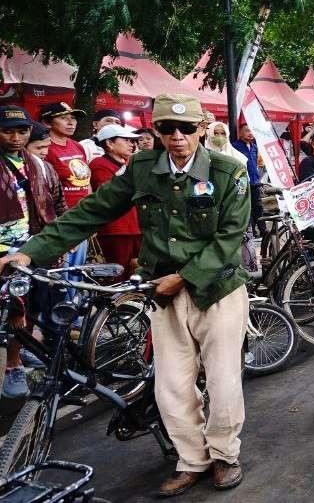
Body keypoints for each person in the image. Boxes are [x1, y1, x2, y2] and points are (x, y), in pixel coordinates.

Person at [0, 94, 251, 496]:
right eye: (167, 128)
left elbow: (229, 238)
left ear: (201, 129)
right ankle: (192, 460)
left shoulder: (227, 172)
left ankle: (224, 456)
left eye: (187, 128)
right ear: (156, 130)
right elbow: (91, 212)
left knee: (222, 382)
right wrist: (30, 253)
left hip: (215, 288)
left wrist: (183, 277)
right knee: (172, 385)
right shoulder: (141, 168)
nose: (177, 137)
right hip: (161, 290)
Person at [0, 107, 66, 398]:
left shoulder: (39, 165)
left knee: (30, 306)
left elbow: (57, 200)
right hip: (3, 250)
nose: (16, 137)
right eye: (8, 130)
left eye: (22, 131)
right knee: (11, 310)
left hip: (35, 246)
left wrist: (63, 236)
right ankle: (13, 363)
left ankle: (17, 357)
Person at [39, 102, 91, 270]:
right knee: (62, 270)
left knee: (78, 269)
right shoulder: (45, 149)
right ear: (47, 123)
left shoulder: (77, 145)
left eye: (73, 118)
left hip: (82, 217)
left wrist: (91, 211)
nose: (71, 123)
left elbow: (86, 181)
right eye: (63, 118)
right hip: (62, 219)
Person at [88, 124, 143, 282]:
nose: (131, 144)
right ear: (109, 143)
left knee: (138, 272)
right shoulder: (99, 164)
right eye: (125, 140)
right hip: (116, 229)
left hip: (137, 227)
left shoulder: (128, 163)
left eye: (132, 141)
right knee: (118, 273)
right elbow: (112, 195)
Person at [231, 123, 262, 230]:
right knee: (246, 208)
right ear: (240, 132)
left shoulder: (254, 147)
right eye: (247, 131)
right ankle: (250, 230)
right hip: (243, 182)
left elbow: (256, 164)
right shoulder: (234, 146)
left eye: (252, 131)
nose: (250, 133)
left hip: (255, 182)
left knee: (257, 207)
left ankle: (262, 230)